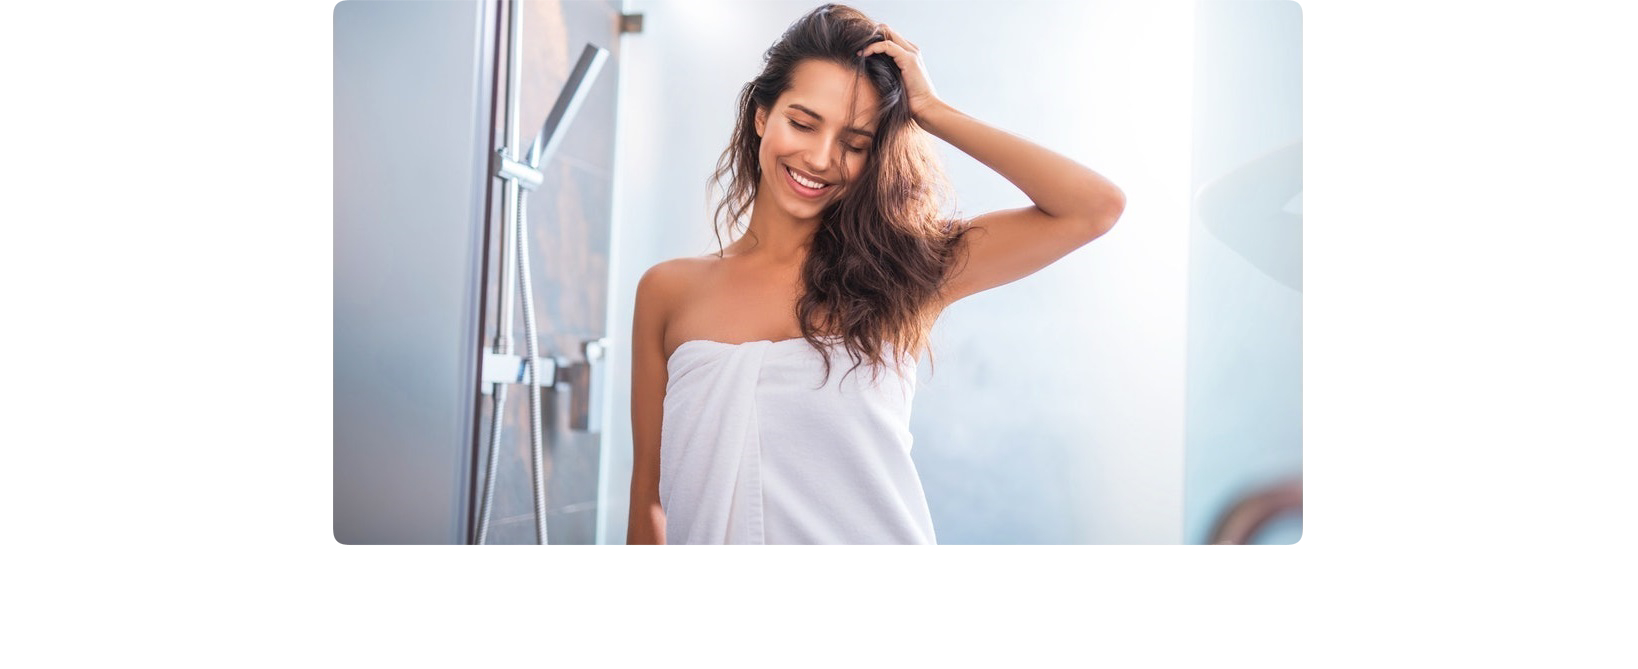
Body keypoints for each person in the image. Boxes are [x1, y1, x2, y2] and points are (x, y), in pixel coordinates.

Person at [627, 3, 1124, 544]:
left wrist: (931, 110)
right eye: (802, 122)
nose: (820, 158)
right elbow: (650, 500)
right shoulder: (668, 291)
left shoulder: (906, 272)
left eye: (854, 143)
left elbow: (1094, 207)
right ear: (761, 116)